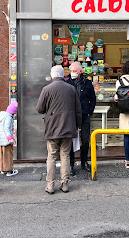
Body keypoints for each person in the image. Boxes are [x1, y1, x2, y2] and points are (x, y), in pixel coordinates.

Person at [36, 65, 81, 194]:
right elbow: (78, 110)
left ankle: (50, 185)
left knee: (51, 156)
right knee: (65, 155)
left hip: (52, 128)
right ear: (63, 75)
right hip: (68, 127)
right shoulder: (71, 89)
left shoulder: (47, 89)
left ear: (52, 75)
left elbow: (40, 109)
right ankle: (65, 184)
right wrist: (77, 126)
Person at [67, 61, 96, 175]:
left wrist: (89, 112)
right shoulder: (67, 83)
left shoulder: (87, 83)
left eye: (75, 71)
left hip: (84, 115)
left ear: (80, 71)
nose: (73, 73)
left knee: (85, 140)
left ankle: (84, 162)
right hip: (71, 116)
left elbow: (93, 99)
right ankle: (71, 164)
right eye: (71, 71)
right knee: (70, 141)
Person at [0, 101, 19, 177]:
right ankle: (9, 170)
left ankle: (3, 169)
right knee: (8, 155)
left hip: (2, 140)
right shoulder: (8, 118)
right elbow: (7, 128)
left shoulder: (2, 116)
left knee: (3, 155)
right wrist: (10, 138)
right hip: (7, 140)